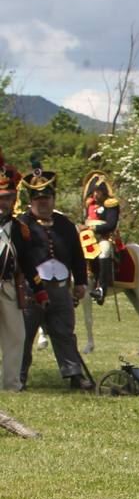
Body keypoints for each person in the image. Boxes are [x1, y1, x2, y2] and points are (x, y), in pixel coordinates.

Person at [14, 167, 94, 390]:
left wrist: (81, 282)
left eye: (47, 198)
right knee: (25, 335)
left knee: (64, 333)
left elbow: (77, 255)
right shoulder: (21, 224)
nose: (43, 203)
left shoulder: (65, 225)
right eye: (38, 199)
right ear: (31, 201)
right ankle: (18, 377)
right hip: (31, 290)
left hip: (60, 288)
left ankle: (74, 375)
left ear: (53, 199)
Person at [0, 154, 25, 391]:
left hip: (9, 287)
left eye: (7, 198)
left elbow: (28, 262)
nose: (3, 202)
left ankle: (11, 385)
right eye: (0, 198)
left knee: (16, 336)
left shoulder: (20, 229)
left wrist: (39, 290)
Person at [81, 172, 121, 305]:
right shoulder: (90, 205)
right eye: (94, 191)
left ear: (103, 192)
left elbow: (111, 225)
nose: (95, 194)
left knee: (104, 250)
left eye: (97, 192)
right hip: (88, 237)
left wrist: (93, 229)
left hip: (105, 237)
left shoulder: (111, 204)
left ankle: (101, 289)